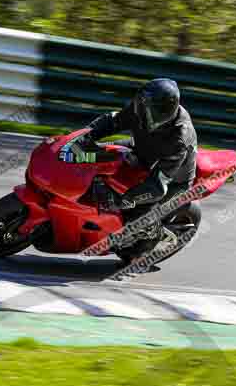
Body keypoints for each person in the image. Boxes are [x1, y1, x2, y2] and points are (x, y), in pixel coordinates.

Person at [79, 78, 198, 270]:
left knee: (137, 216)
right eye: (143, 106)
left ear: (165, 111)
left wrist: (123, 199)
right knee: (94, 156)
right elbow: (112, 121)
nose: (144, 113)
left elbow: (158, 186)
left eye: (151, 110)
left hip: (173, 180)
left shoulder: (179, 138)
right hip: (143, 151)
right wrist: (85, 135)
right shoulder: (140, 108)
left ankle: (153, 237)